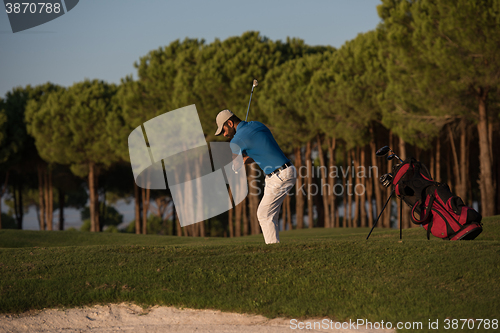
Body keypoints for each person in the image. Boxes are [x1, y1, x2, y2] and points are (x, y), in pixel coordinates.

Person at [215, 109, 296, 244]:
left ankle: (273, 250)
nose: (224, 135)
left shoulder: (236, 141)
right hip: (281, 172)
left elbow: (236, 166)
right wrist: (246, 158)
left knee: (263, 214)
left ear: (229, 123)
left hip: (280, 175)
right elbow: (262, 151)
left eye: (223, 130)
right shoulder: (258, 125)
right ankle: (275, 246)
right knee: (270, 215)